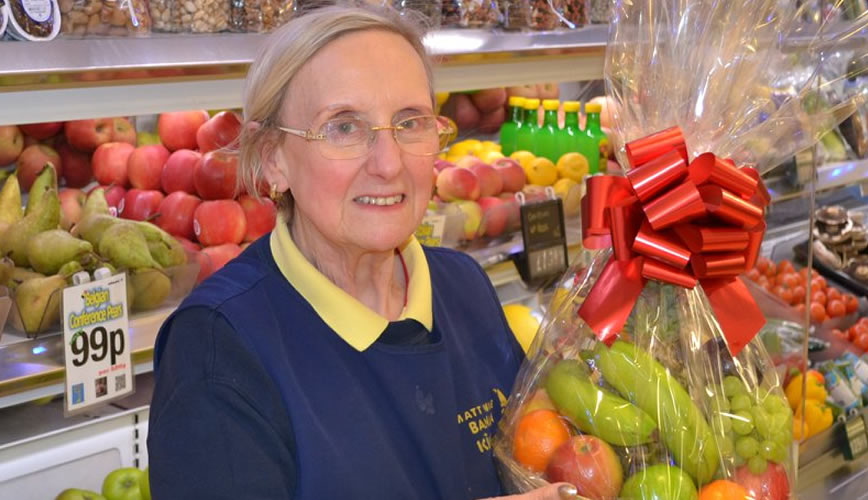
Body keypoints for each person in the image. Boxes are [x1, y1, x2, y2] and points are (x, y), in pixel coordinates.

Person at [148, 6, 568, 499]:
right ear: (272, 159)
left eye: (410, 122)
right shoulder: (221, 346)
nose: (389, 164)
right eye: (344, 127)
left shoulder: (463, 286)